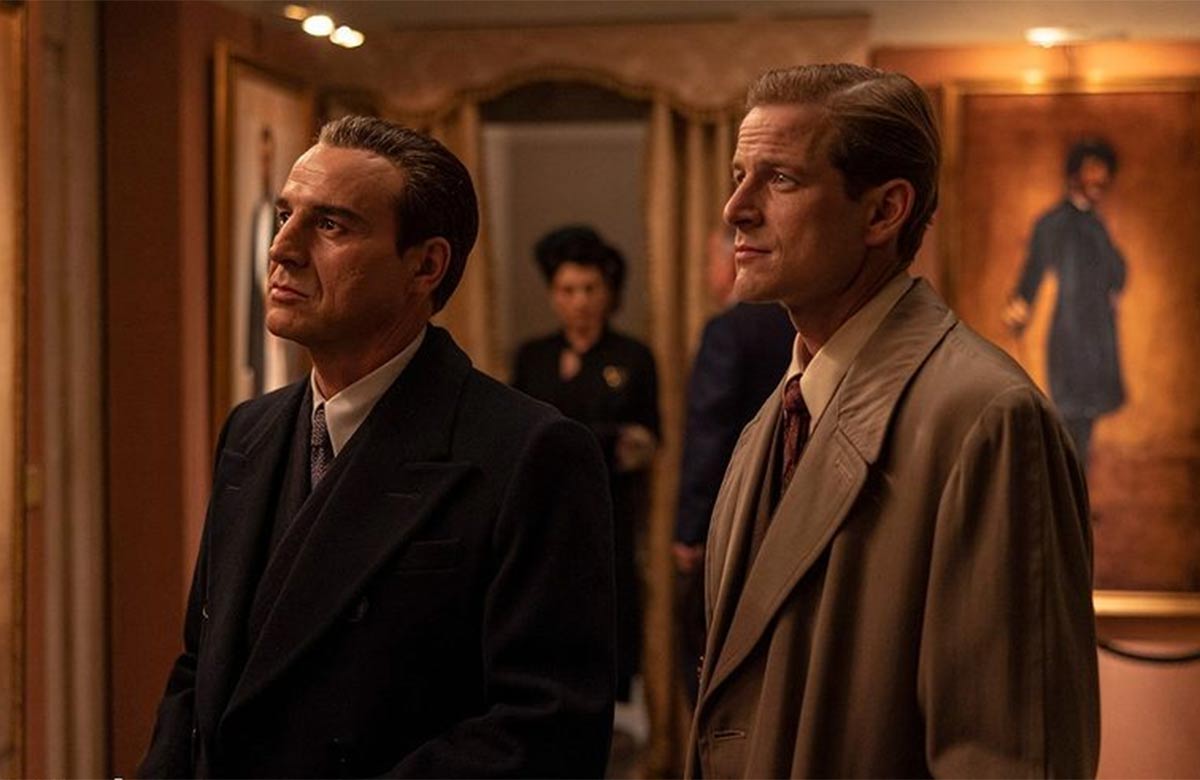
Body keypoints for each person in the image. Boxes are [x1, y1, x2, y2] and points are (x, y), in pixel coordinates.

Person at [139, 116, 616, 778]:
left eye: (331, 225)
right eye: (285, 215)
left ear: (425, 265)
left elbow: (549, 726)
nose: (282, 248)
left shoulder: (530, 452)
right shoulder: (249, 431)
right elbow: (201, 670)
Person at [686, 64, 1099, 778]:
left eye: (779, 179)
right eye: (738, 176)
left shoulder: (987, 421)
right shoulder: (774, 418)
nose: (735, 210)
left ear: (883, 212)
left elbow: (1008, 754)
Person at [512, 225, 660, 704]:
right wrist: (601, 438)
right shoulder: (533, 357)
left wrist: (573, 441)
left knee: (607, 618)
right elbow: (518, 439)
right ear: (553, 295)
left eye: (590, 288)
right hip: (541, 512)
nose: (580, 301)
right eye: (568, 290)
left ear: (608, 292)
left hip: (608, 511)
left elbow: (644, 442)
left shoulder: (632, 357)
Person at [673, 225, 793, 704]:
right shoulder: (797, 324)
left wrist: (690, 530)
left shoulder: (727, 331)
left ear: (733, 261)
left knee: (710, 662)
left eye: (710, 261)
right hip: (794, 513)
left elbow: (710, 433)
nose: (708, 273)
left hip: (732, 520)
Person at [1003, 138, 1126, 465]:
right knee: (1068, 419)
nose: (1099, 179)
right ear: (1074, 174)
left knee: (1086, 421)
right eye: (1091, 170)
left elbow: (1117, 273)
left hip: (1099, 336)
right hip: (1070, 335)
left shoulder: (1097, 225)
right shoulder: (1052, 223)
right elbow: (1032, 274)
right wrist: (1019, 309)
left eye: (1103, 172)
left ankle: (1077, 488)